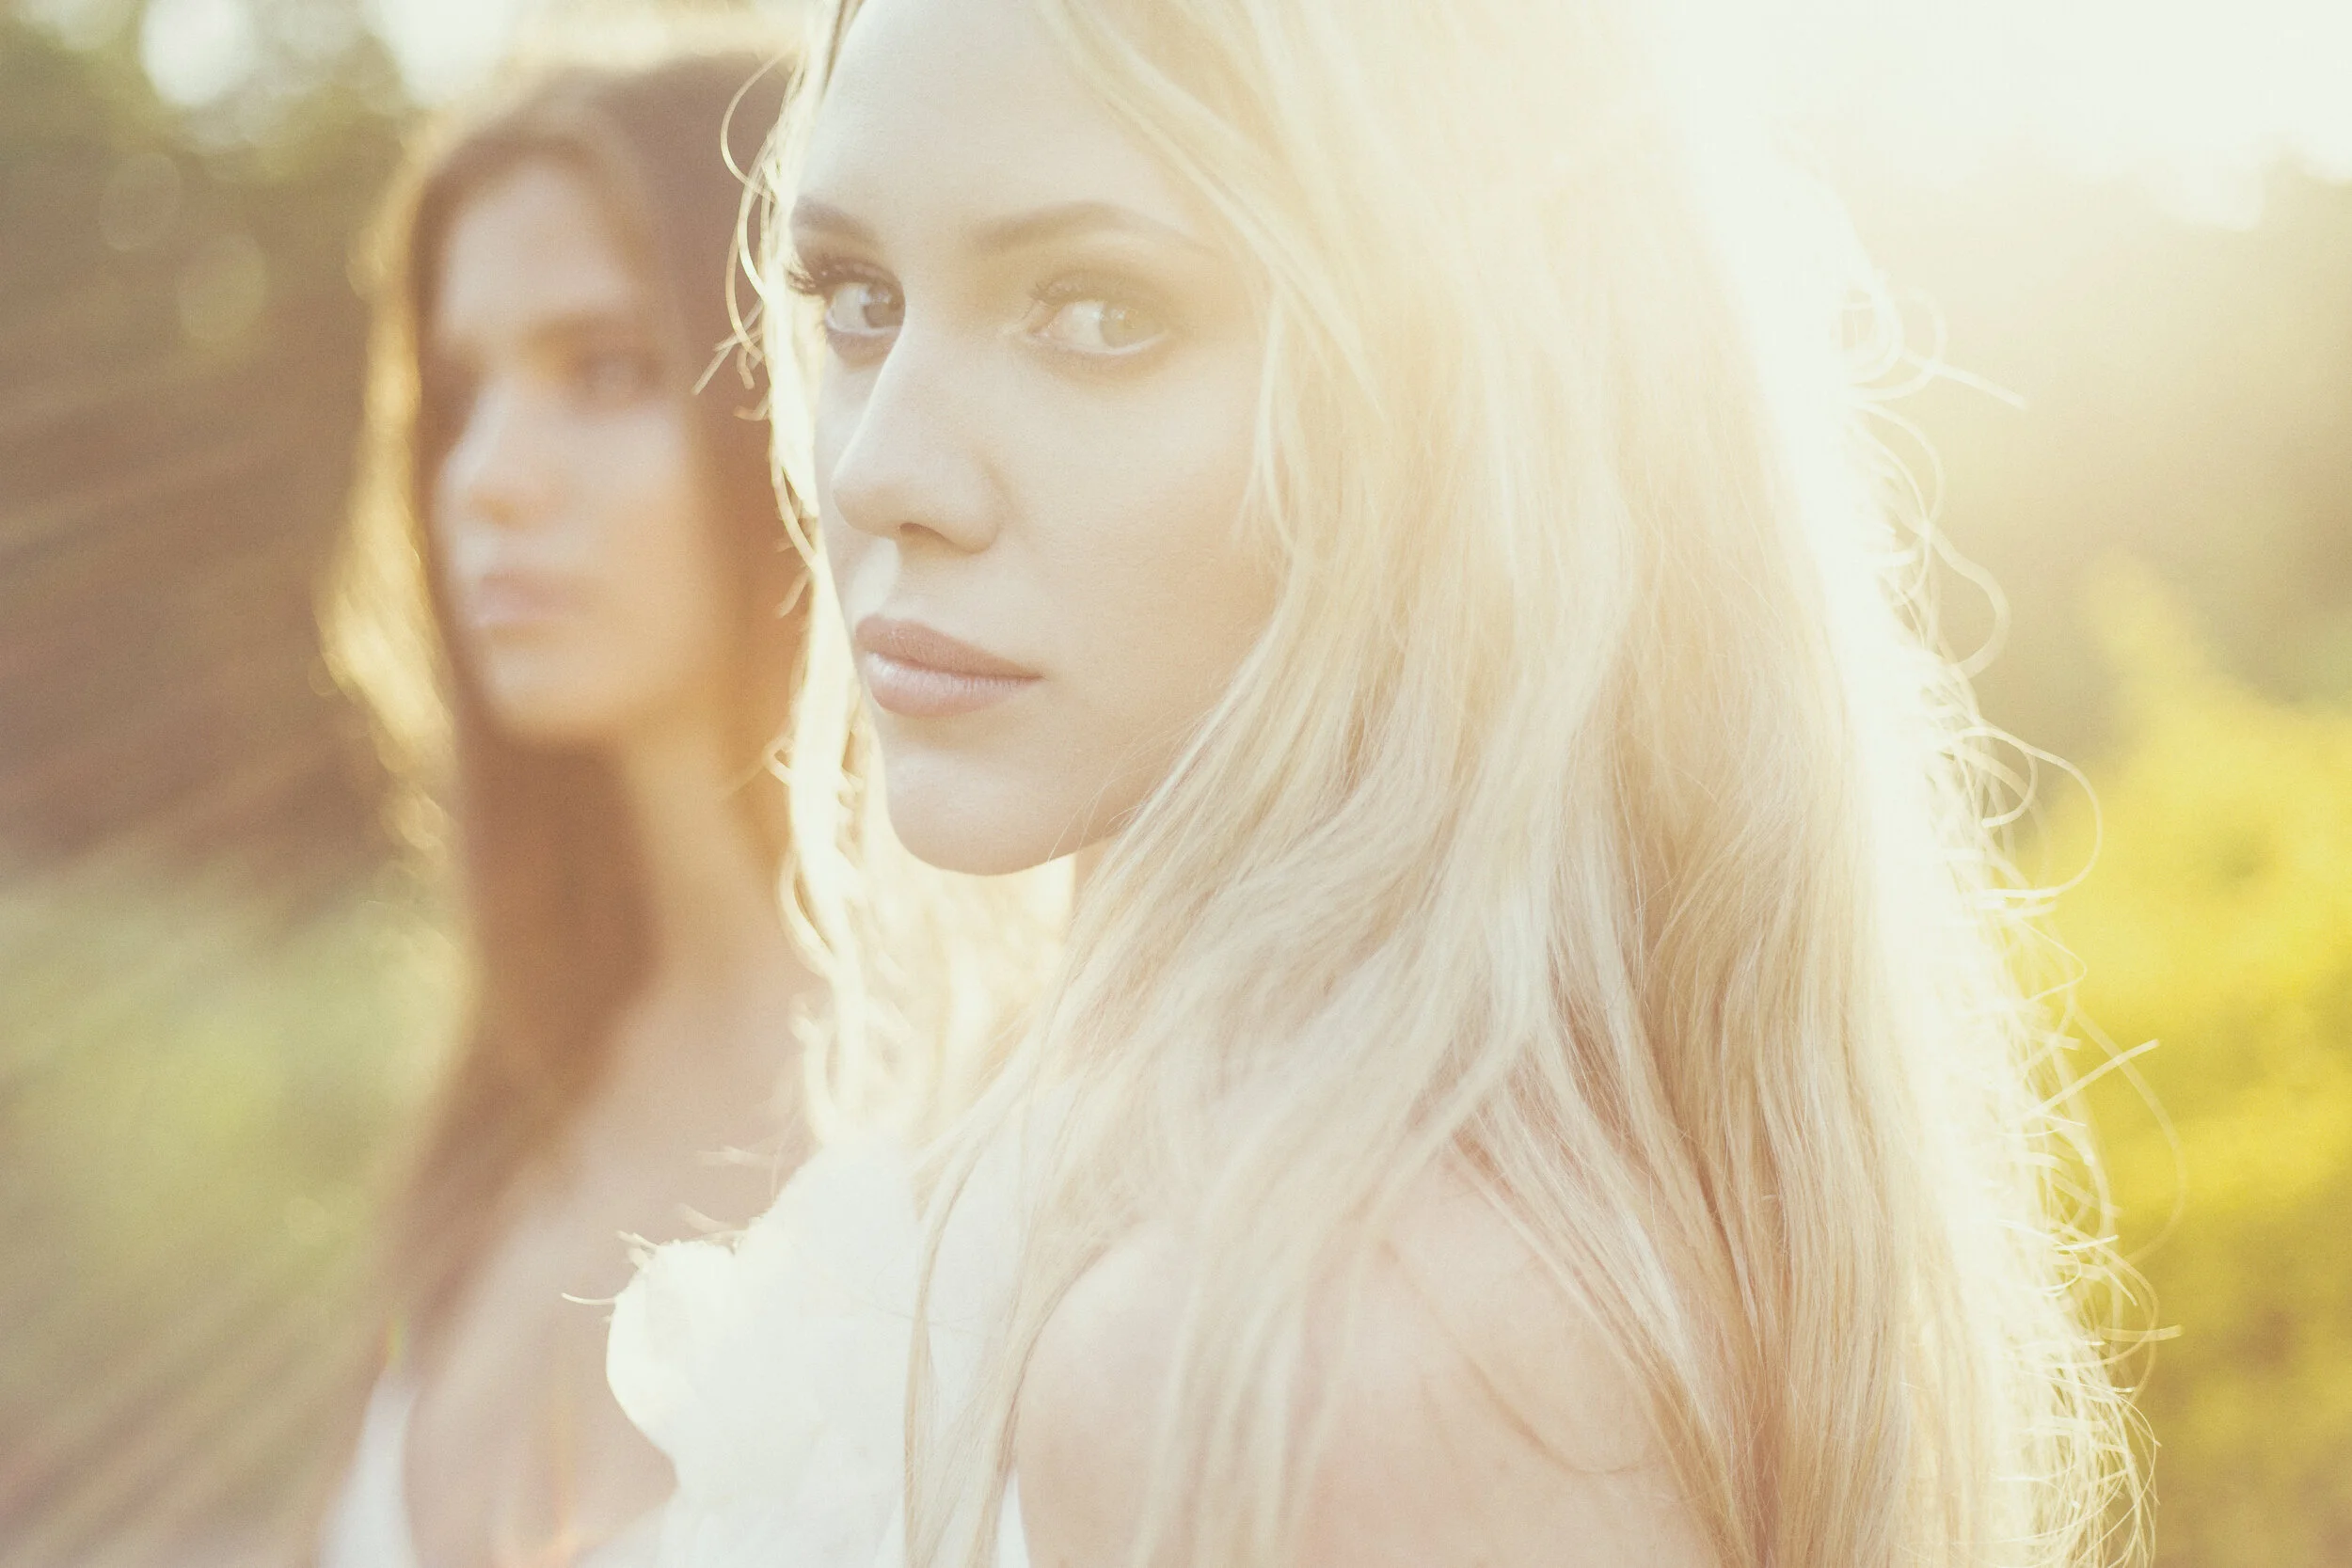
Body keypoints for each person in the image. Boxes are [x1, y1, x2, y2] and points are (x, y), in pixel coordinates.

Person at [610, 0, 2142, 1563]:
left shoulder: (1321, 1352)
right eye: (856, 296)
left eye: (1098, 312)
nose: (878, 466)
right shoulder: (1149, 1169)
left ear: (1464, 410)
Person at [320, 45, 806, 1568]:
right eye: (460, 393)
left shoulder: (1013, 1108)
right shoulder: (519, 1081)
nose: (485, 479)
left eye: (604, 368)